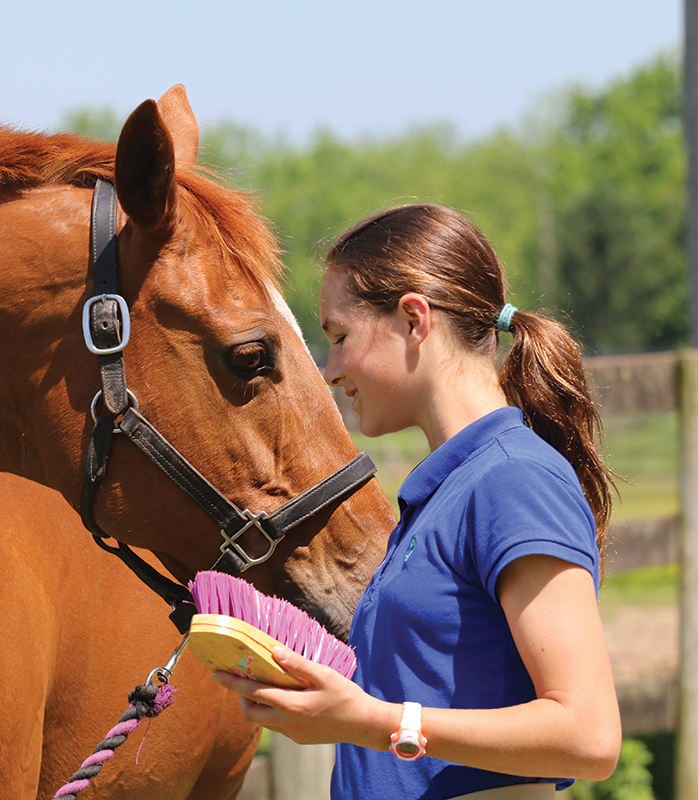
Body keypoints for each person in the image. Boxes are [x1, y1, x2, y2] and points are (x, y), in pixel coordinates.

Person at [211, 204, 621, 799]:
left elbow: (589, 735)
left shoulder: (514, 480)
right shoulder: (447, 491)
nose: (330, 370)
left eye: (340, 337)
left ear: (413, 319)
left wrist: (375, 722)